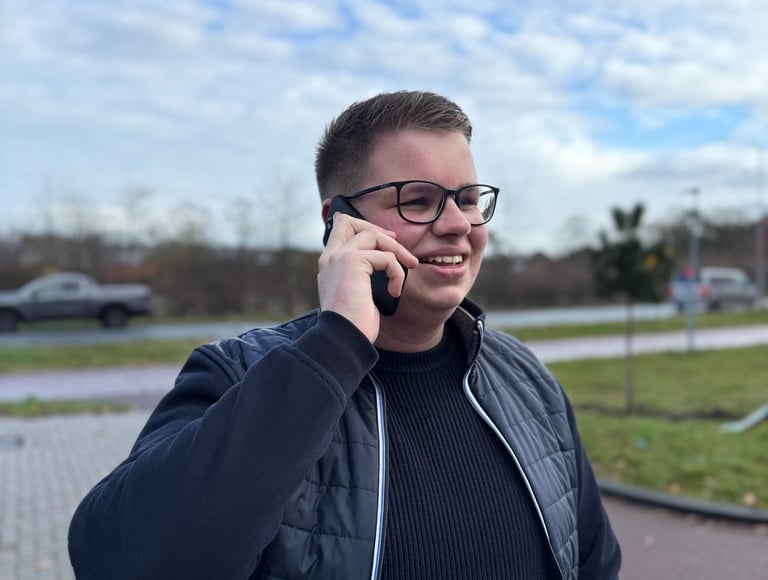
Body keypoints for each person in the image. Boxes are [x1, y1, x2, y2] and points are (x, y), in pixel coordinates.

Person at [68, 90, 621, 579]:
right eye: (419, 200)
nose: (458, 224)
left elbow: (594, 563)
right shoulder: (236, 374)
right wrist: (335, 346)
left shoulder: (526, 378)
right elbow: (119, 560)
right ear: (338, 222)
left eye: (469, 199)